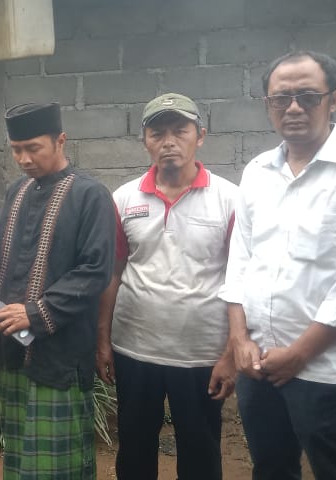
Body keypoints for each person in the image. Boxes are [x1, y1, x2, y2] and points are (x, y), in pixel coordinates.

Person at [219, 50, 336, 480]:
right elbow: (240, 262)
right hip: (257, 363)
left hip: (324, 371)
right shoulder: (257, 172)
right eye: (281, 98)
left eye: (307, 96)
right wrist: (239, 340)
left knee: (334, 470)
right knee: (271, 467)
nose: (293, 108)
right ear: (267, 105)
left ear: (334, 99)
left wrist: (298, 355)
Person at [0, 102, 115, 478]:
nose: (24, 159)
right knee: (20, 454)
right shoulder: (18, 191)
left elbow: (95, 271)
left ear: (60, 140)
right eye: (16, 150)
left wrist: (34, 312)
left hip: (59, 353)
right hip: (13, 350)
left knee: (58, 462)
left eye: (33, 148)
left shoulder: (90, 195)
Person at [96, 93, 238, 480]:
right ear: (145, 140)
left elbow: (240, 279)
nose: (169, 142)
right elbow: (113, 272)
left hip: (201, 354)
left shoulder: (229, 199)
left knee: (201, 449)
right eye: (157, 133)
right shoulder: (124, 198)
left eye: (180, 131)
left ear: (200, 136)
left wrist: (231, 352)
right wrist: (103, 339)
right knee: (135, 446)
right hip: (134, 349)